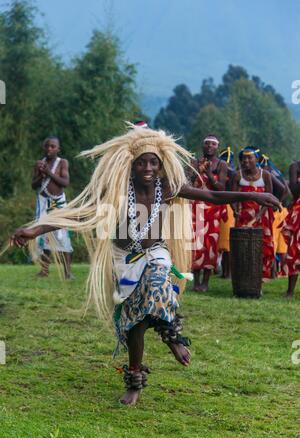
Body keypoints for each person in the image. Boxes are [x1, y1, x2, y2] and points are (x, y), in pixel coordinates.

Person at [11, 125, 280, 406]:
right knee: (134, 325)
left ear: (161, 165)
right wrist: (35, 230)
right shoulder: (117, 191)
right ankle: (135, 379)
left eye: (153, 162)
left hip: (155, 253)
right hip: (124, 259)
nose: (147, 168)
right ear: (132, 165)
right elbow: (80, 215)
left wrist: (255, 195)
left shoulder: (168, 188)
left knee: (158, 280)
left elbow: (211, 196)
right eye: (141, 162)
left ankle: (171, 334)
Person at [32, 137, 73, 279]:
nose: (49, 149)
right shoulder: (39, 164)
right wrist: (41, 176)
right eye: (47, 146)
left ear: (58, 149)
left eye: (53, 146)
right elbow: (33, 185)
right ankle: (44, 270)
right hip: (43, 202)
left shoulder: (62, 163)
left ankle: (68, 272)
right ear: (44, 148)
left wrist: (49, 173)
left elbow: (65, 182)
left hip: (58, 204)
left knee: (62, 235)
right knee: (43, 235)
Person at [191, 135, 228, 292]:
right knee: (195, 243)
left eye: (213, 144)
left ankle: (205, 282)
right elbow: (187, 182)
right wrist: (197, 172)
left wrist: (209, 174)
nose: (209, 146)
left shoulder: (221, 164)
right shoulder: (193, 162)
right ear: (202, 146)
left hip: (212, 209)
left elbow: (221, 188)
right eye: (206, 144)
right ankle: (196, 282)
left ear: (217, 147)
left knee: (210, 245)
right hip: (196, 207)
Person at [232, 147, 275, 279]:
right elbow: (232, 197)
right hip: (243, 217)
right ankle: (244, 278)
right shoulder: (238, 175)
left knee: (261, 247)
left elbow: (269, 198)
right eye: (244, 158)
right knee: (243, 248)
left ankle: (259, 278)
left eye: (250, 157)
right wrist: (235, 210)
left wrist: (259, 216)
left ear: (256, 159)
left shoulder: (265, 175)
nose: (246, 160)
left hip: (262, 216)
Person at [280, 161, 300, 296]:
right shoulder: (295, 166)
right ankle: (290, 291)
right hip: (298, 213)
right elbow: (295, 191)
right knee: (295, 249)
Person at [218, 147, 235, 278]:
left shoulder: (229, 172)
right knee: (225, 244)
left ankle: (227, 273)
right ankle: (225, 272)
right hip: (224, 206)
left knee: (226, 243)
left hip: (225, 206)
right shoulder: (233, 171)